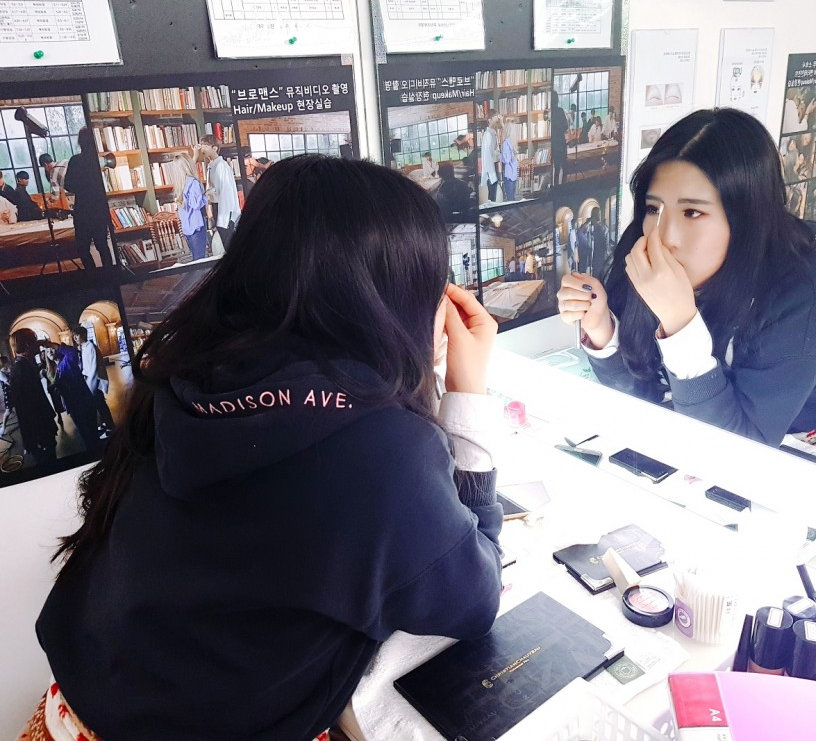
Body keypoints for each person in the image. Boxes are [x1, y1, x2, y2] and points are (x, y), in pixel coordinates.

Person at [28, 155, 504, 740]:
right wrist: (468, 397)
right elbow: (474, 599)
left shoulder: (184, 373)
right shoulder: (383, 453)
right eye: (431, 287)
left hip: (71, 709)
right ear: (389, 302)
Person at [557, 108, 816, 461]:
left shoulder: (806, 292)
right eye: (653, 209)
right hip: (711, 434)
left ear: (745, 218)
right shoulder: (645, 259)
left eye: (692, 212)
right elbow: (644, 395)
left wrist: (680, 324)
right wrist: (602, 328)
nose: (664, 236)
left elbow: (737, 454)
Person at [63, 129, 114, 269]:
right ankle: (110, 274)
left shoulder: (75, 160)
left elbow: (68, 185)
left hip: (83, 210)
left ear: (80, 142)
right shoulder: (100, 161)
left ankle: (93, 275)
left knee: (83, 248)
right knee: (102, 246)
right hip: (99, 208)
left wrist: (81, 185)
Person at [8, 329, 58, 465]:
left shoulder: (23, 364)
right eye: (35, 341)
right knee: (49, 465)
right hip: (39, 433)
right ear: (28, 345)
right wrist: (38, 438)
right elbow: (28, 409)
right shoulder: (21, 370)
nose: (38, 345)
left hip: (41, 430)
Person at [197, 134, 241, 250]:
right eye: (201, 145)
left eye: (205, 146)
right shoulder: (211, 166)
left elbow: (226, 192)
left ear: (214, 148)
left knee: (229, 245)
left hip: (225, 210)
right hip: (217, 208)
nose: (202, 149)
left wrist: (225, 218)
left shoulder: (222, 166)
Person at [73, 326, 115, 435]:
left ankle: (110, 427)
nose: (75, 338)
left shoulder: (90, 347)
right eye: (74, 336)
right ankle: (106, 423)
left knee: (100, 403)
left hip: (93, 379)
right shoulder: (83, 347)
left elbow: (93, 367)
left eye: (77, 335)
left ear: (83, 335)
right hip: (88, 379)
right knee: (98, 403)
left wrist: (90, 383)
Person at [173, 152, 209, 261]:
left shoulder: (180, 185)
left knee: (195, 259)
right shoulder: (193, 183)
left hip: (187, 228)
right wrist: (207, 196)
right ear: (189, 165)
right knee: (200, 260)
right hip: (197, 225)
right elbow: (196, 204)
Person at [479, 114, 502, 203]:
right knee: (492, 193)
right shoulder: (488, 135)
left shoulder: (493, 133)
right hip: (490, 166)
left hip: (494, 164)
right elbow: (488, 154)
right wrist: (498, 154)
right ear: (489, 120)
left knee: (493, 192)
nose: (497, 120)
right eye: (495, 118)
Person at [550, 91, 569, 186]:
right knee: (564, 167)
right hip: (561, 142)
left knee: (556, 168)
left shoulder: (549, 113)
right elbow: (566, 126)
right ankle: (564, 187)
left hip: (553, 143)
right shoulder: (560, 111)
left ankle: (555, 186)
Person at [500, 117, 519, 202]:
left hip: (508, 174)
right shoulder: (513, 143)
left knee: (510, 199)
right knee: (513, 198)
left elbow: (506, 160)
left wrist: (500, 155)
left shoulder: (506, 143)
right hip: (514, 174)